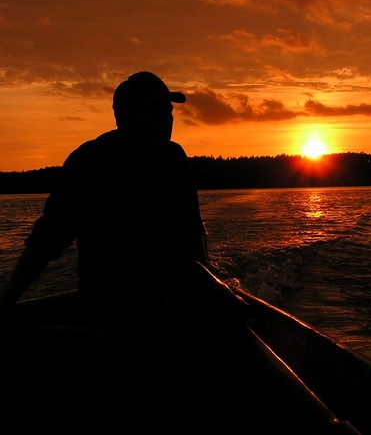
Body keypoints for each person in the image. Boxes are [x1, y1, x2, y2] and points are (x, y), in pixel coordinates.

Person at [0, 71, 247, 429]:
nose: (166, 119)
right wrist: (6, 302)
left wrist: (206, 280)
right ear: (124, 116)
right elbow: (46, 242)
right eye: (154, 110)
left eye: (169, 110)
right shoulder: (90, 162)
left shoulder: (174, 159)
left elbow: (193, 231)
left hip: (171, 289)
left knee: (233, 312)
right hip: (110, 297)